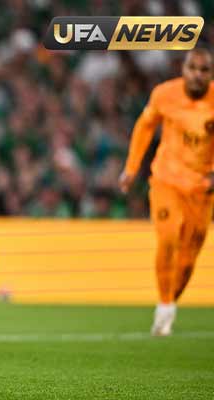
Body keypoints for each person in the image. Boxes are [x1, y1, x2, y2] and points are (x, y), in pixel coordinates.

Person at [120, 48, 214, 337]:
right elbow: (145, 126)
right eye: (192, 68)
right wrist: (131, 168)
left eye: (204, 70)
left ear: (210, 74)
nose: (197, 75)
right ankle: (164, 304)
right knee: (168, 236)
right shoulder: (164, 94)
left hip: (202, 188)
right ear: (183, 69)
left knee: (188, 260)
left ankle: (170, 302)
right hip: (166, 180)